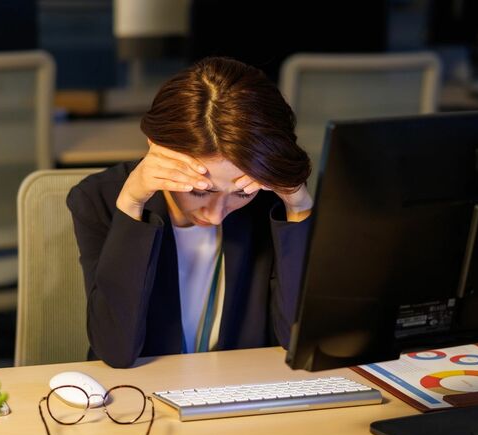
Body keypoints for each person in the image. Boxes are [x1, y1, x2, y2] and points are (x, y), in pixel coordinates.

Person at [67, 57, 314, 368]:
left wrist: (298, 207)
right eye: (199, 191)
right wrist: (131, 205)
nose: (215, 216)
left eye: (241, 193)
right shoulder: (98, 199)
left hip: (243, 394)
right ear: (156, 145)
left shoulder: (268, 202)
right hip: (143, 398)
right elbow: (116, 350)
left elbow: (303, 342)